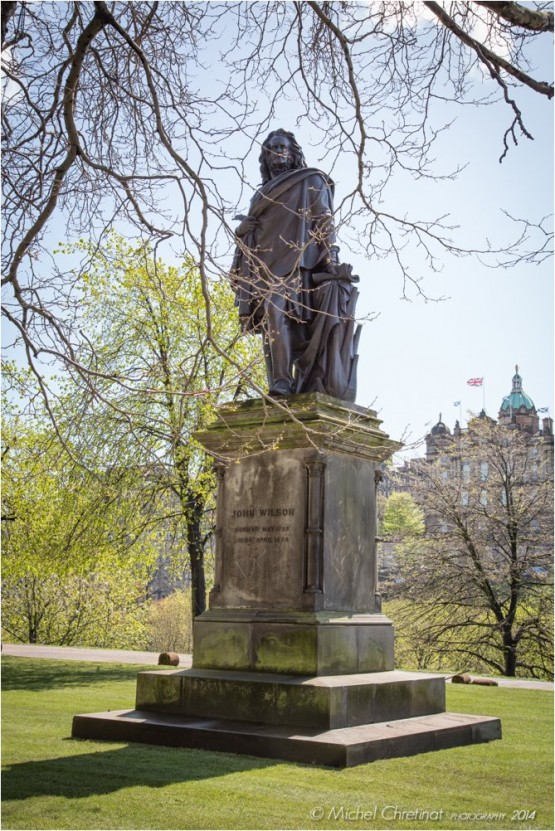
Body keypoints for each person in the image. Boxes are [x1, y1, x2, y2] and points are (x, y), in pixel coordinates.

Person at [231, 128, 360, 400]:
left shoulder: (310, 180)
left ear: (293, 152)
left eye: (282, 147)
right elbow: (254, 228)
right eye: (272, 149)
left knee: (277, 313)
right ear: (265, 157)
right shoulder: (260, 194)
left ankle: (281, 383)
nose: (278, 152)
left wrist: (331, 259)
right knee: (270, 321)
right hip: (264, 265)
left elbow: (324, 221)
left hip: (297, 265)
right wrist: (242, 231)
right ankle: (279, 382)